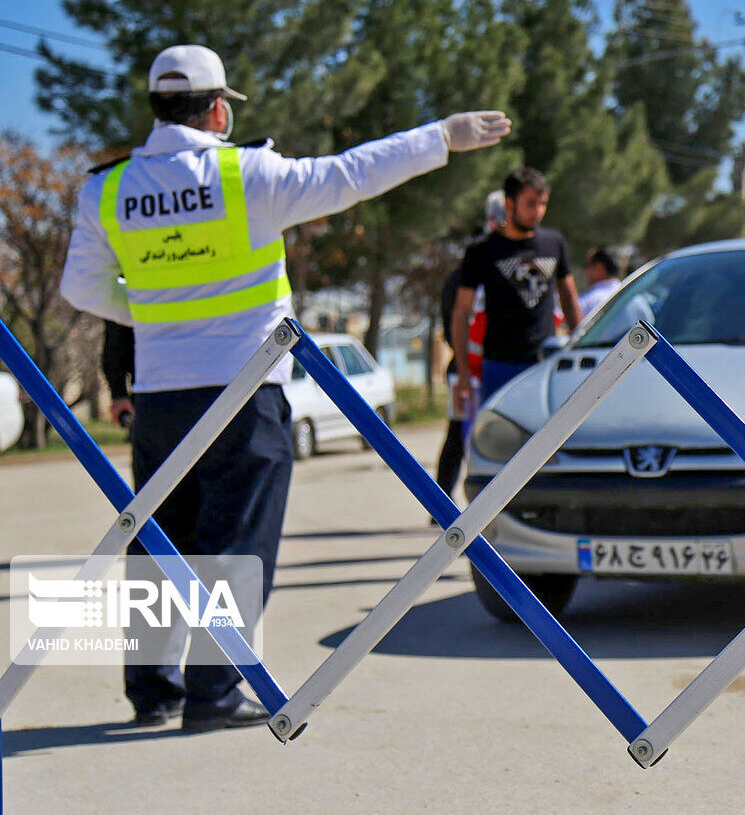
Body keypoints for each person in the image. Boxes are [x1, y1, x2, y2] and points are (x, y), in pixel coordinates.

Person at [60, 44, 510, 732]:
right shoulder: (249, 176)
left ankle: (152, 687)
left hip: (159, 393)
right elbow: (352, 173)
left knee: (158, 537)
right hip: (244, 389)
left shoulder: (108, 189)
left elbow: (80, 288)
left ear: (156, 109)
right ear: (217, 109)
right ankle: (212, 693)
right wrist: (439, 138)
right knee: (236, 538)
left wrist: (157, 309)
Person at [451, 167, 582, 411]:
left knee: (551, 443)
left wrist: (580, 348)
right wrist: (463, 374)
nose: (538, 211)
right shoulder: (482, 250)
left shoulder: (554, 243)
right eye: (531, 203)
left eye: (543, 203)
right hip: (499, 366)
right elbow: (461, 312)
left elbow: (569, 297)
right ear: (510, 203)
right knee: (500, 445)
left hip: (547, 362)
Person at [435, 191, 503, 498]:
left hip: (463, 365)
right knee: (464, 437)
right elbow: (455, 323)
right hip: (471, 367)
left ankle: (439, 501)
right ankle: (444, 499)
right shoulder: (469, 278)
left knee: (456, 438)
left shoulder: (455, 278)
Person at [101, 319, 135, 428]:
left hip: (151, 387)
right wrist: (118, 393)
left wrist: (118, 393)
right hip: (150, 388)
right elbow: (115, 337)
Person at [576, 248, 622, 317]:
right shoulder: (632, 297)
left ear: (599, 268)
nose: (584, 270)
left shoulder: (588, 301)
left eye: (586, 264)